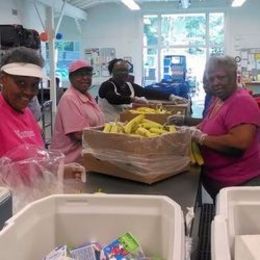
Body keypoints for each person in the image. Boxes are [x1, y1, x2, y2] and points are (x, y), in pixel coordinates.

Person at [0, 47, 85, 180]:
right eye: (21, 83)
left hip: (29, 196)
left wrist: (59, 170)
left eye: (34, 85)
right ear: (3, 79)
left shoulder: (27, 114)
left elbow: (35, 160)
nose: (28, 92)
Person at [184, 55, 260, 199]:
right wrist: (192, 129)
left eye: (221, 77)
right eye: (211, 79)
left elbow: (239, 144)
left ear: (234, 75)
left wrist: (202, 138)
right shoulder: (219, 98)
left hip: (240, 187)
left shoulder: (241, 102)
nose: (215, 83)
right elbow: (209, 123)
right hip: (221, 185)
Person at [98, 58, 188, 122]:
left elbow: (148, 92)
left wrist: (170, 96)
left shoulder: (130, 86)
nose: (123, 73)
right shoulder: (106, 85)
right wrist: (134, 99)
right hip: (109, 124)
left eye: (125, 70)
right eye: (119, 70)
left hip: (126, 123)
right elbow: (113, 98)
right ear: (111, 72)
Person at [51, 59, 105, 164]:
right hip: (70, 162)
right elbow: (79, 135)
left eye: (88, 74)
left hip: (86, 158)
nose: (85, 77)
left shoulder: (87, 96)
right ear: (71, 78)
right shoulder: (69, 99)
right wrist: (109, 138)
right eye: (80, 74)